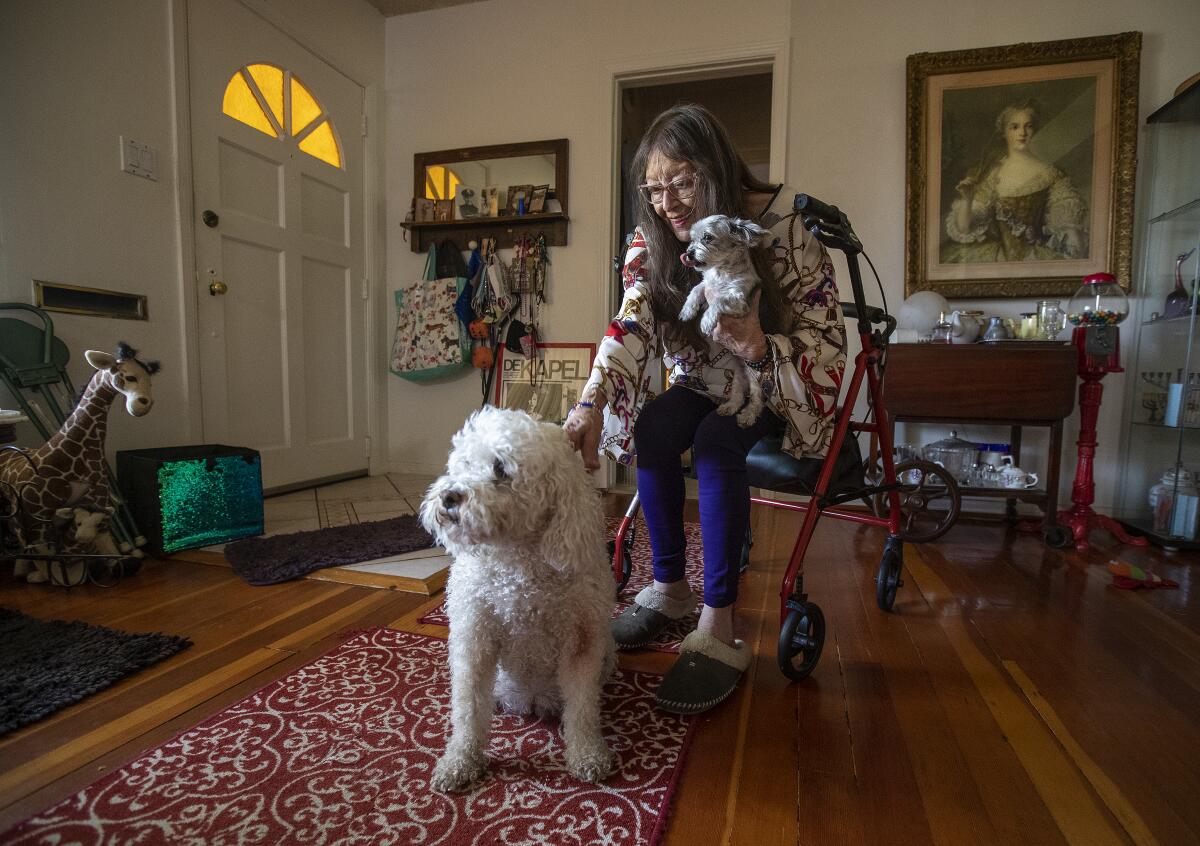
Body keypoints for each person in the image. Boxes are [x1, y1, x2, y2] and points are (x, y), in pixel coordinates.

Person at [563, 104, 846, 714]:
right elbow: (631, 321)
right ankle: (668, 590)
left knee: (719, 440)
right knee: (655, 426)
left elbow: (828, 346)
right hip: (701, 378)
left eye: (683, 181)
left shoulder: (788, 224)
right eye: (654, 187)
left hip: (768, 380)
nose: (668, 202)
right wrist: (588, 404)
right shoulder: (654, 238)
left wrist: (761, 345)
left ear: (714, 169)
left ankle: (719, 623)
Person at [943, 99, 1089, 263]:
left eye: (1029, 126)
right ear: (1003, 132)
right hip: (997, 259)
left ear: (1035, 129)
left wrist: (1049, 240)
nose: (1022, 133)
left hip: (1037, 258)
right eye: (1014, 127)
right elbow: (964, 228)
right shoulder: (992, 174)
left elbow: (1071, 236)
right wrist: (968, 200)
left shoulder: (1050, 174)